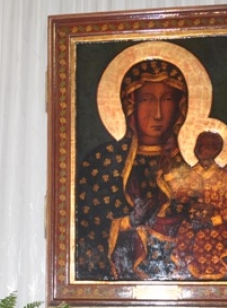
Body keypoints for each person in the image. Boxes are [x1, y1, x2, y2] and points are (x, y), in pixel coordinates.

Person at [76, 58, 190, 280]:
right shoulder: (103, 162)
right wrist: (127, 222)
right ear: (131, 104)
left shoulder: (188, 168)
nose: (158, 113)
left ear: (180, 106)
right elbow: (85, 228)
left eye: (167, 99)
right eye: (147, 99)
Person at [170, 131, 227, 280]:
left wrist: (210, 222)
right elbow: (179, 201)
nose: (202, 149)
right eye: (200, 145)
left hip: (218, 228)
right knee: (183, 238)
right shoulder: (187, 175)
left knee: (208, 240)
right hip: (191, 224)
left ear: (216, 150)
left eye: (208, 146)